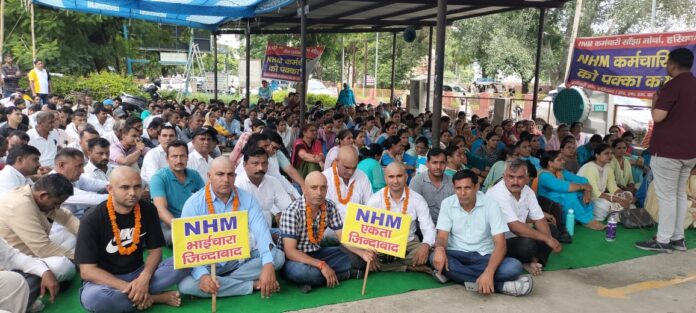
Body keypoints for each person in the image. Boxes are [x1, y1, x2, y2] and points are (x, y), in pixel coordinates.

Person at [76, 167, 190, 312]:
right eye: (125, 187)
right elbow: (87, 271)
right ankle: (155, 298)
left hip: (139, 273)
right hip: (105, 281)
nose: (132, 193)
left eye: (137, 187)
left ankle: (137, 296)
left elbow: (155, 251)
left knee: (184, 260)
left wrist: (144, 278)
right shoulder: (92, 219)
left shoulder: (148, 209)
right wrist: (130, 288)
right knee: (95, 299)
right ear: (110, 189)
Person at [178, 157, 285, 298]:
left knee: (277, 257)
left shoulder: (247, 199)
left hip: (241, 260)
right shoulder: (193, 204)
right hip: (209, 263)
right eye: (220, 174)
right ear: (209, 176)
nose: (226, 179)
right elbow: (187, 247)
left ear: (235, 176)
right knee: (186, 285)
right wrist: (203, 276)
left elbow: (262, 233)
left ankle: (224, 283)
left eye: (230, 174)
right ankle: (251, 285)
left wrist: (267, 265)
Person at [429, 170, 532, 296]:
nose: (462, 193)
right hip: (456, 254)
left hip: (484, 256)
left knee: (514, 267)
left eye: (467, 188)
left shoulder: (491, 204)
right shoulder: (448, 203)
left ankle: (454, 275)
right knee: (433, 256)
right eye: (458, 188)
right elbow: (442, 237)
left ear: (476, 187)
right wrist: (439, 249)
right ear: (453, 188)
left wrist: (489, 271)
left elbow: (500, 244)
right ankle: (501, 286)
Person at [635, 48, 696, 252]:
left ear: (672, 64)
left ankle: (663, 240)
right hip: (689, 151)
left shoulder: (673, 86)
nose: (666, 66)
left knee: (667, 196)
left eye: (667, 62)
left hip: (669, 150)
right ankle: (678, 238)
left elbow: (659, 117)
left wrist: (655, 102)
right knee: (679, 194)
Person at [280, 172, 371, 292]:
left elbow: (343, 238)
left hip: (318, 253)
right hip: (295, 260)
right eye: (314, 188)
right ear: (305, 189)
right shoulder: (292, 212)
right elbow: (290, 252)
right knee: (303, 273)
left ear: (327, 189)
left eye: (323, 188)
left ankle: (313, 281)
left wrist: (362, 253)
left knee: (358, 259)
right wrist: (321, 265)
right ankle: (343, 275)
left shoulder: (330, 206)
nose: (319, 193)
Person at [487, 160, 562, 276]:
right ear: (504, 177)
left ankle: (534, 261)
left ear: (527, 178)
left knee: (552, 230)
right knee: (527, 244)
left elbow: (539, 219)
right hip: (499, 242)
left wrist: (549, 238)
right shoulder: (496, 193)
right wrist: (547, 239)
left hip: (519, 236)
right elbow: (514, 227)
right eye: (511, 177)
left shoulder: (528, 192)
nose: (515, 182)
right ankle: (526, 260)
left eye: (520, 177)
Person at [0, 174, 77, 283]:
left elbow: (67, 218)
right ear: (43, 196)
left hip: (34, 249)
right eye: (56, 203)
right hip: (17, 261)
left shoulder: (35, 196)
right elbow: (43, 248)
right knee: (63, 267)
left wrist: (91, 238)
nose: (58, 207)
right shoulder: (20, 204)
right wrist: (82, 258)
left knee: (71, 234)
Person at [366, 163, 435, 272]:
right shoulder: (375, 200)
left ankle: (394, 264)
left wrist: (425, 246)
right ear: (385, 178)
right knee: (366, 259)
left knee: (432, 256)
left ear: (406, 177)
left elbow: (428, 227)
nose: (395, 181)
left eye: (399, 176)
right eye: (391, 177)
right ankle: (408, 266)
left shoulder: (417, 199)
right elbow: (366, 230)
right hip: (384, 247)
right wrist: (371, 251)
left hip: (410, 245)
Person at [150, 140, 205, 246]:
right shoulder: (158, 178)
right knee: (184, 240)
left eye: (182, 156)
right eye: (174, 156)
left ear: (187, 157)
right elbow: (160, 209)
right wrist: (183, 229)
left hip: (195, 223)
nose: (179, 160)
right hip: (169, 224)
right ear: (167, 159)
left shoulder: (195, 175)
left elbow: (206, 201)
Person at [537, 151, 605, 231]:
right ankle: (585, 220)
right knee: (569, 194)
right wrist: (585, 187)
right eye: (559, 160)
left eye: (562, 159)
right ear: (550, 163)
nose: (563, 161)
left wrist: (587, 191)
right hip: (547, 204)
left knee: (580, 192)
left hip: (558, 199)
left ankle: (588, 217)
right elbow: (564, 187)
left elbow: (582, 179)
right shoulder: (544, 176)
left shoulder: (560, 171)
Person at [234, 146, 291, 228]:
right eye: (255, 164)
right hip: (245, 234)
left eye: (264, 163)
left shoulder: (273, 182)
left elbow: (288, 207)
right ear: (244, 165)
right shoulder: (237, 184)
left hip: (268, 232)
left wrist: (282, 214)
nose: (261, 168)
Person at [578, 143, 633, 222]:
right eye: (606, 153)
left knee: (628, 200)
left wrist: (625, 194)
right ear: (597, 155)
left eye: (611, 153)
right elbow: (594, 192)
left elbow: (613, 187)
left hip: (600, 196)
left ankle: (615, 214)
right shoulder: (590, 167)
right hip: (586, 198)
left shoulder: (608, 167)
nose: (610, 156)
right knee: (604, 206)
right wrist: (616, 199)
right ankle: (615, 214)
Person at [323, 146, 372, 220]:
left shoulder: (362, 176)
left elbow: (371, 204)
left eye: (354, 168)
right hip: (331, 228)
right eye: (347, 167)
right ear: (337, 161)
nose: (350, 172)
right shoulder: (325, 177)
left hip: (356, 227)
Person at [409, 148, 454, 224]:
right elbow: (411, 209)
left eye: (442, 163)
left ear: (446, 164)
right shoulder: (417, 181)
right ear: (427, 164)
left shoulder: (452, 182)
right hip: (422, 227)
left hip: (447, 226)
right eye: (434, 163)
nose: (438, 167)